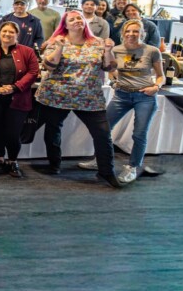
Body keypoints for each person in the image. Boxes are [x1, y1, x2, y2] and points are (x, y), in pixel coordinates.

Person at [36, 11, 122, 187]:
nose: (77, 21)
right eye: (72, 19)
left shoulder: (97, 42)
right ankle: (54, 164)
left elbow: (109, 67)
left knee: (103, 134)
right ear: (65, 25)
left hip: (89, 97)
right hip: (57, 95)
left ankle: (106, 171)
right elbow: (49, 66)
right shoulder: (57, 41)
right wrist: (59, 48)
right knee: (53, 130)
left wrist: (108, 51)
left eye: (79, 18)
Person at [77, 19, 165, 184]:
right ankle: (100, 160)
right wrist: (113, 80)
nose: (131, 34)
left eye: (135, 31)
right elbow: (111, 70)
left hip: (144, 97)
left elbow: (161, 76)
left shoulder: (152, 51)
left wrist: (156, 86)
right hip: (121, 96)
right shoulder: (116, 50)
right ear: (123, 33)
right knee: (102, 129)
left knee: (139, 134)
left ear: (142, 33)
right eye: (128, 31)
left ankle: (133, 167)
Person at [0, 22, 40, 179]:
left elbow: (33, 72)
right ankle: (0, 159)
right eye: (4, 31)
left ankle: (13, 161)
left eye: (11, 32)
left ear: (17, 34)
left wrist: (15, 87)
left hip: (17, 98)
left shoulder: (27, 51)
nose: (7, 34)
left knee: (13, 134)